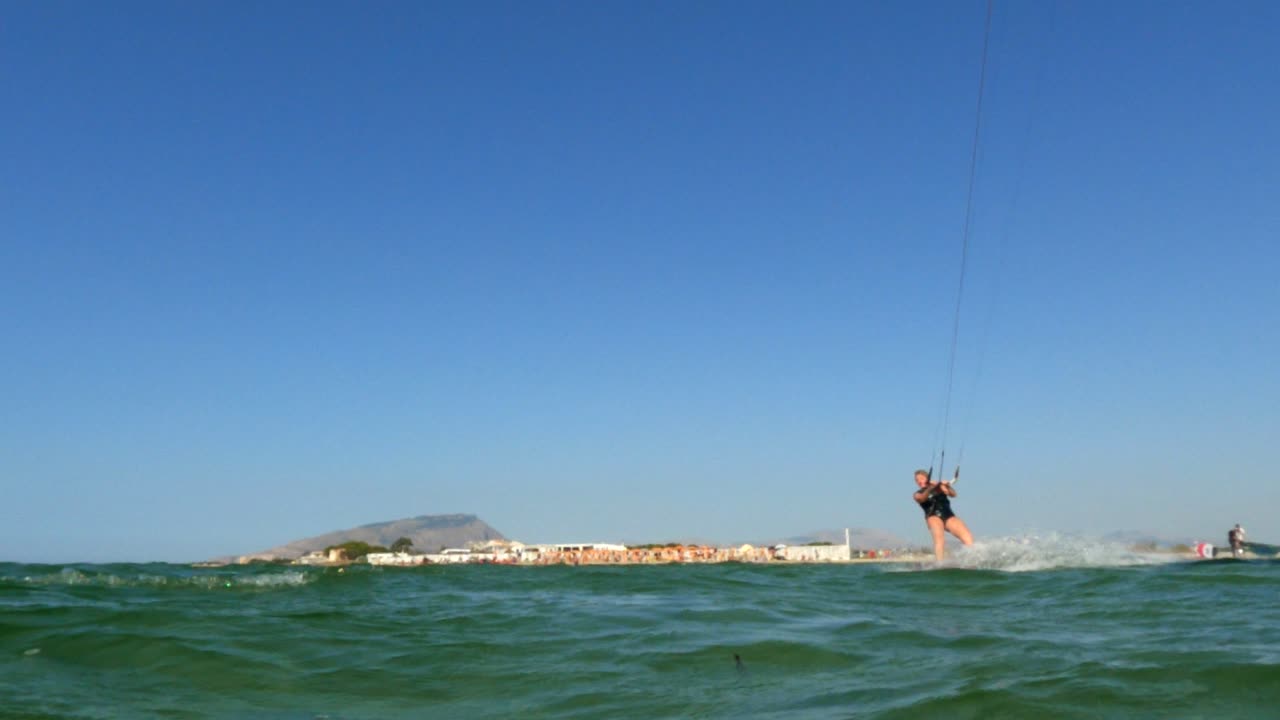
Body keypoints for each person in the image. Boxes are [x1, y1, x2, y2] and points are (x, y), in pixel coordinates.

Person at [913, 469, 974, 561]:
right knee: (939, 539)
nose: (919, 481)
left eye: (921, 478)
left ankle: (972, 559)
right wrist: (930, 488)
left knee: (967, 537)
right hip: (932, 515)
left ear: (927, 478)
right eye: (917, 480)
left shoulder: (940, 487)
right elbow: (922, 498)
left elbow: (953, 494)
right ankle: (939, 563)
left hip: (948, 515)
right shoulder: (917, 494)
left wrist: (946, 486)